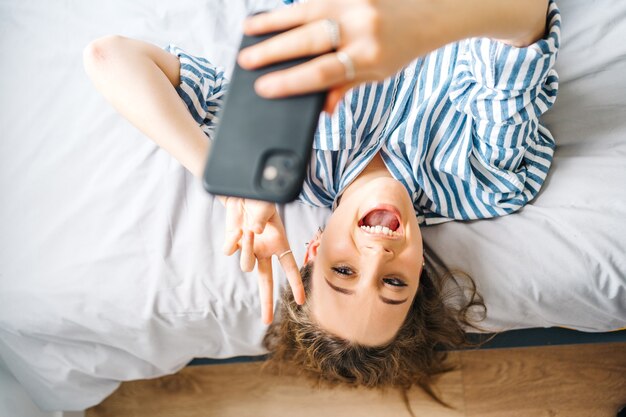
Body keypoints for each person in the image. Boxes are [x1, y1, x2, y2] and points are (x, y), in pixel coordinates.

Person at [83, 0, 560, 404]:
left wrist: (229, 182)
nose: (377, 255)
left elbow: (110, 58)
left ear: (312, 249)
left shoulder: (291, 154)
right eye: (394, 283)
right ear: (419, 278)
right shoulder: (484, 180)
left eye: (344, 272)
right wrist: (417, 24)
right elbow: (528, 13)